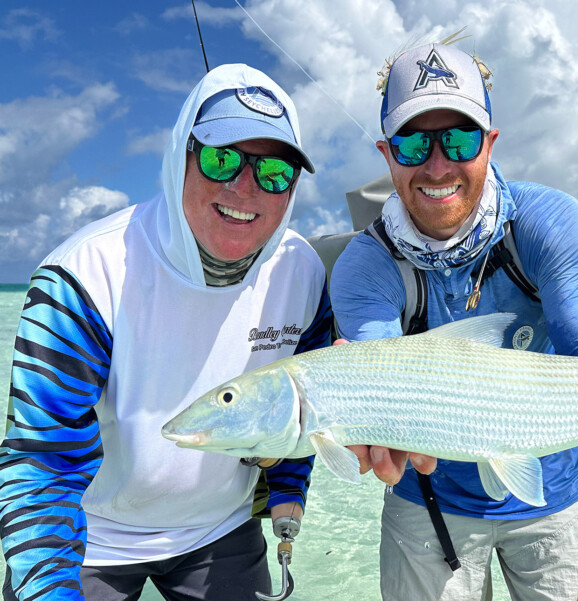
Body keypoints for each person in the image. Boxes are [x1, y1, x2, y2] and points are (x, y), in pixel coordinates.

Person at [330, 43, 578, 601]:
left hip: (555, 495)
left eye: (458, 138)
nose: (436, 165)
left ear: (490, 143)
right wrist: (372, 433)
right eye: (412, 142)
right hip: (427, 503)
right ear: (386, 153)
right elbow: (383, 389)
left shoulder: (548, 222)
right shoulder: (365, 265)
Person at [0, 63, 331, 601]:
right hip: (90, 541)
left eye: (274, 172)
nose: (246, 189)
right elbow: (43, 459)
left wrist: (289, 488)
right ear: (181, 157)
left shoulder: (303, 271)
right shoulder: (84, 277)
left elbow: (304, 406)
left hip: (220, 531)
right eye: (222, 159)